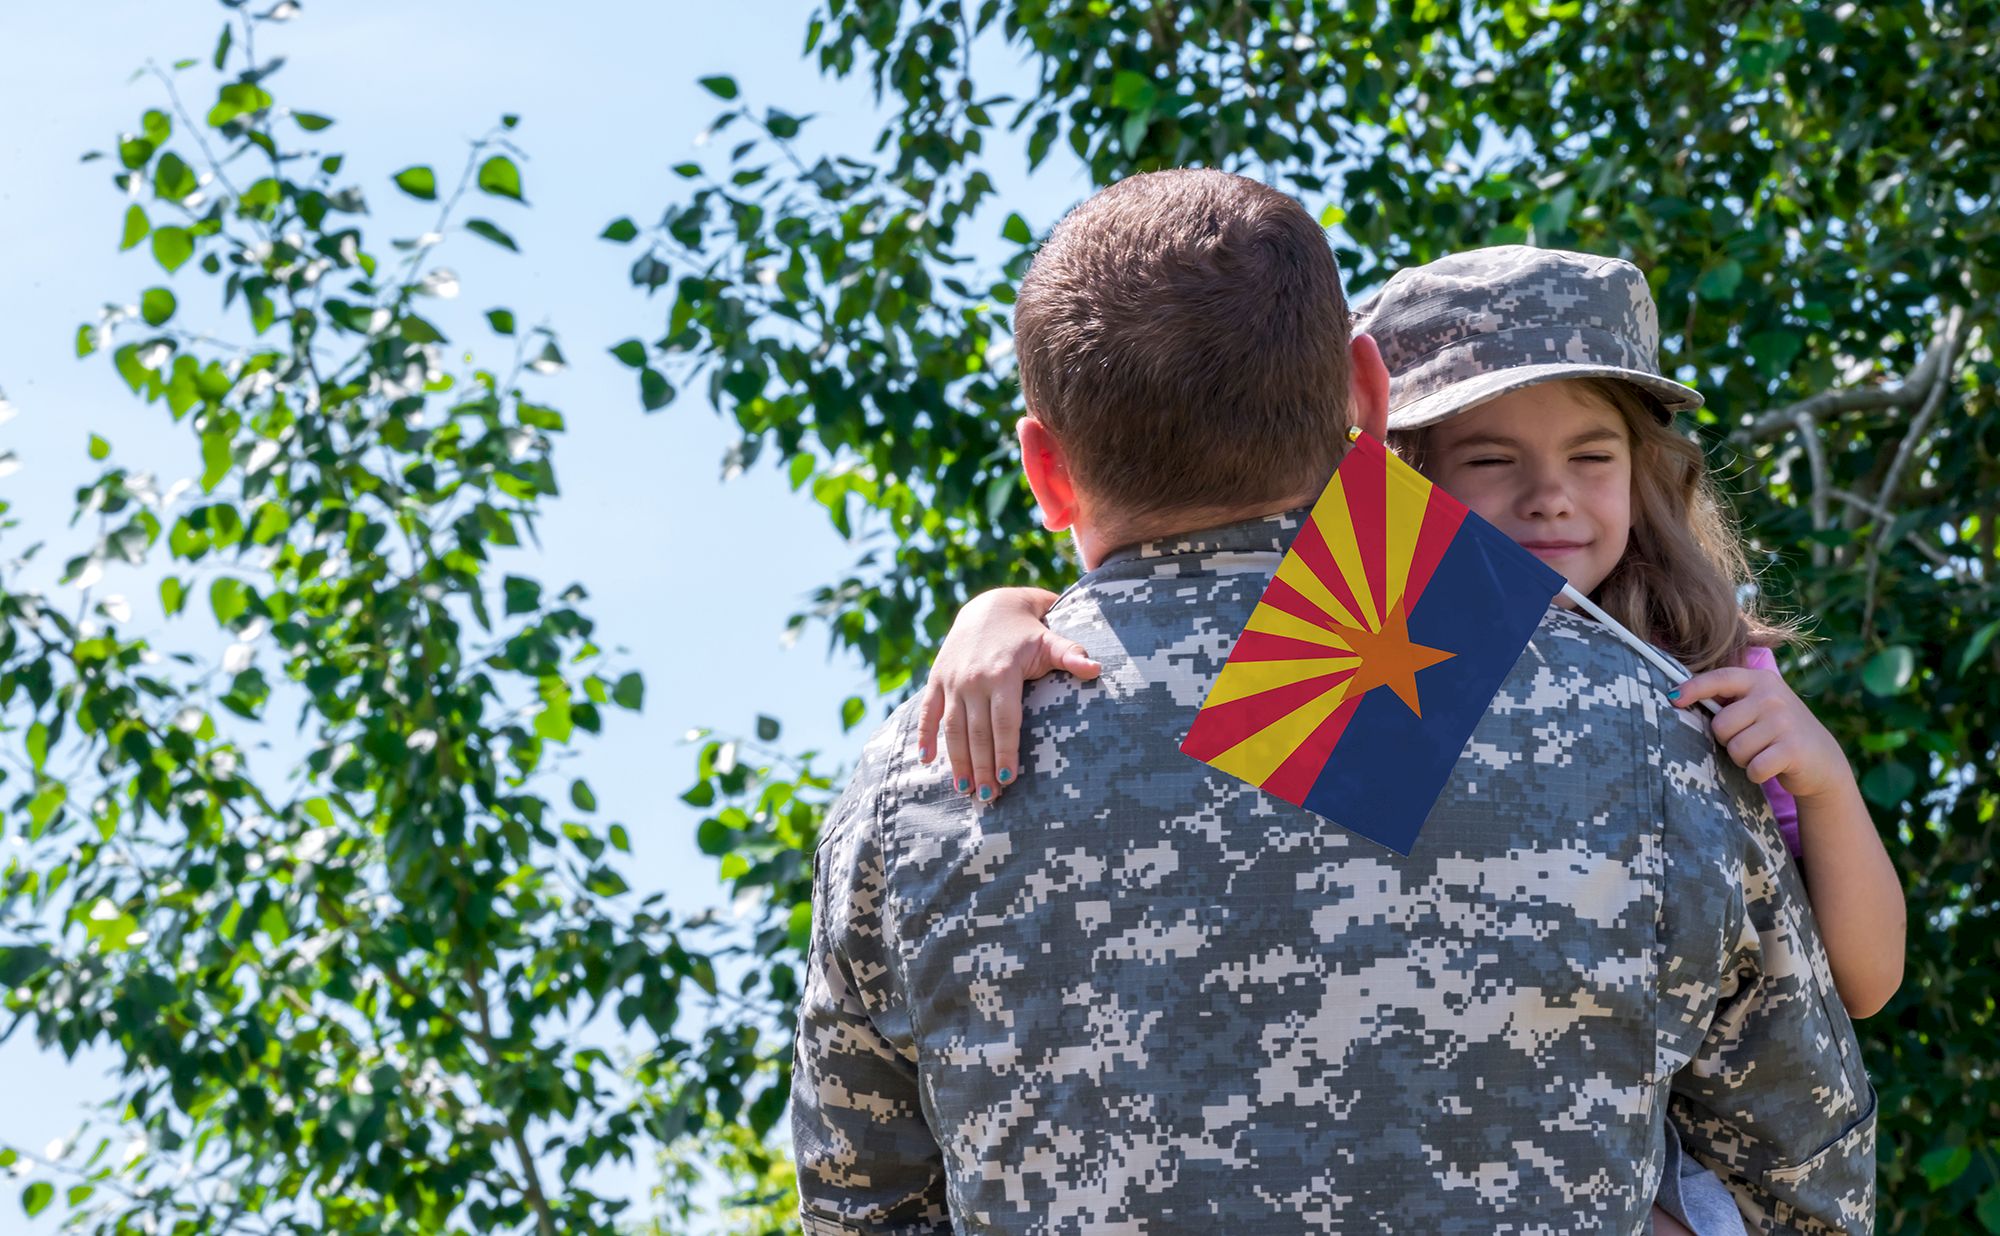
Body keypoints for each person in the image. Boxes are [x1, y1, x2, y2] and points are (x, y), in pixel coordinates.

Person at [793, 173, 1877, 1234]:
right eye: (1491, 458)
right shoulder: (1646, 732)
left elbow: (860, 1204)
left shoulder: (925, 774)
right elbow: (1807, 1183)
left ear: (1043, 468)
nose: (1547, 497)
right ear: (1368, 398)